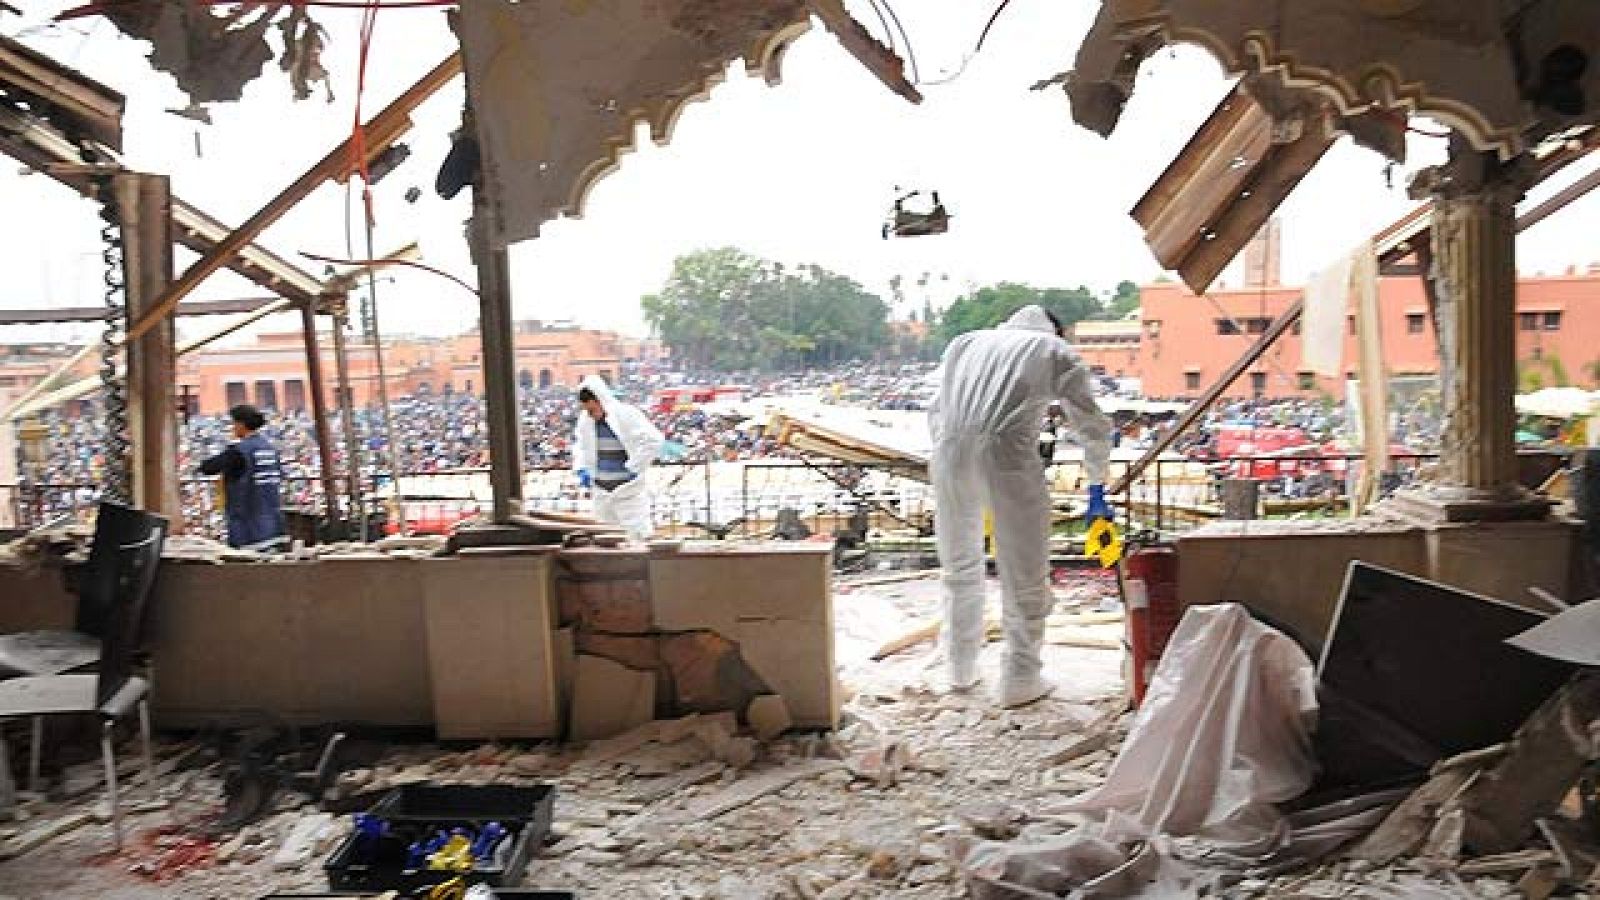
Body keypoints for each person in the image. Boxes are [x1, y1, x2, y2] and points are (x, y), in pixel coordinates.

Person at [929, 305, 1115, 708]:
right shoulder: (1054, 351)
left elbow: (936, 409)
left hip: (948, 452)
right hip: (1006, 455)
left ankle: (959, 668)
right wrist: (1098, 484)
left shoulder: (965, 343)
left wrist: (947, 453)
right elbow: (1092, 425)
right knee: (1023, 568)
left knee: (959, 565)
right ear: (1057, 330)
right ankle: (1020, 676)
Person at [572, 375, 665, 540]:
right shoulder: (585, 421)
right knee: (605, 538)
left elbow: (654, 440)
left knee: (637, 536)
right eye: (586, 410)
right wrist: (581, 469)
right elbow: (580, 446)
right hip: (602, 492)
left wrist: (634, 466)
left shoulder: (626, 415)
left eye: (592, 410)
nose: (590, 414)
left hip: (628, 492)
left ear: (601, 400)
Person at [200, 404, 285, 549]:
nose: (232, 428)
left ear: (241, 424)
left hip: (248, 529)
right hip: (273, 525)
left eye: (233, 423)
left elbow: (208, 467)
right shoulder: (270, 449)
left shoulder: (240, 452)